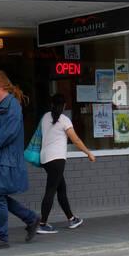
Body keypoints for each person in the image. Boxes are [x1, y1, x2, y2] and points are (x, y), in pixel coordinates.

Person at [0, 71, 40, 249]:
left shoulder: (12, 106)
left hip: (4, 160)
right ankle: (31, 219)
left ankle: (2, 237)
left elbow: (10, 132)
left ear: (2, 87)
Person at [36, 93, 95, 232]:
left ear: (51, 105)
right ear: (64, 106)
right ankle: (42, 224)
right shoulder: (64, 120)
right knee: (50, 191)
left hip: (45, 159)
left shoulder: (45, 117)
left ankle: (72, 219)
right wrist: (89, 153)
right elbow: (76, 140)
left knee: (61, 189)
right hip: (57, 160)